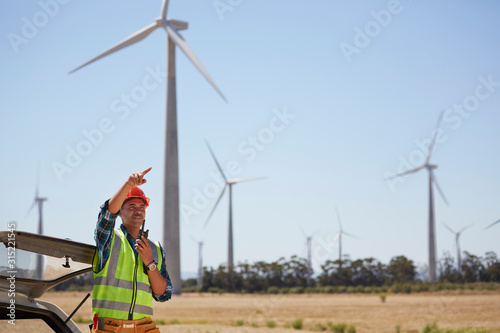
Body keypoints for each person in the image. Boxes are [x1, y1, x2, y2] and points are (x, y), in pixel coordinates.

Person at [91, 167, 172, 333]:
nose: (138, 210)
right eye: (131, 206)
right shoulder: (108, 240)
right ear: (120, 212)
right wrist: (128, 184)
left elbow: (162, 294)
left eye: (141, 206)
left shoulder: (155, 249)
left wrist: (150, 262)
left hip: (144, 328)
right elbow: (107, 215)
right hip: (110, 329)